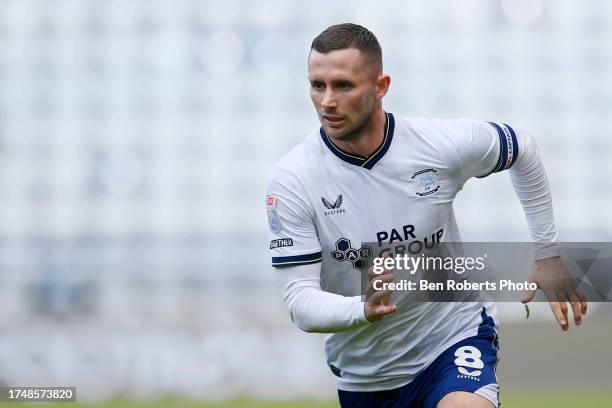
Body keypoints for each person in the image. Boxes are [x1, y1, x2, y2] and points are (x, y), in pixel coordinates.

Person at [265, 23, 587, 408]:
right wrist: (363, 309)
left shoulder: (436, 146)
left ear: (381, 86)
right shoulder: (293, 179)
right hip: (366, 375)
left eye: (343, 85)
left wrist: (547, 254)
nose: (327, 101)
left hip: (452, 337)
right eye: (317, 85)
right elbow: (300, 302)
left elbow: (523, 149)